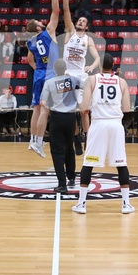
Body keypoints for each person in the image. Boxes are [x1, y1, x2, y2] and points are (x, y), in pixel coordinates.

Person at [72, 53, 134, 214]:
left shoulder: (92, 80)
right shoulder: (122, 82)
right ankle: (126, 204)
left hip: (99, 124)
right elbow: (127, 109)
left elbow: (84, 107)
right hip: (115, 124)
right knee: (121, 164)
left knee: (89, 162)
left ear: (100, 67)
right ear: (113, 66)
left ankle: (82, 204)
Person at [61, 0, 101, 155]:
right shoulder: (70, 32)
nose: (80, 21)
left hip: (82, 77)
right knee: (70, 113)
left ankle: (88, 138)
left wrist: (92, 67)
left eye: (84, 21)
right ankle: (76, 138)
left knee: (84, 112)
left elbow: (98, 58)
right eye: (80, 20)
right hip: (68, 75)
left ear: (87, 27)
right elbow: (67, 11)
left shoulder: (88, 40)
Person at [26, 0, 61, 158]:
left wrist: (38, 67)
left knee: (36, 109)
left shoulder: (30, 42)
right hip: (49, 74)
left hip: (39, 73)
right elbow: (56, 10)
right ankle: (39, 142)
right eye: (39, 21)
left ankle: (33, 140)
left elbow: (28, 59)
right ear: (39, 26)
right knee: (45, 110)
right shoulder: (48, 31)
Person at [41, 59, 81, 193]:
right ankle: (71, 177)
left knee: (57, 151)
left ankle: (62, 184)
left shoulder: (49, 82)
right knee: (69, 147)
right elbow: (86, 86)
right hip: (70, 118)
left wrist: (50, 108)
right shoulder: (73, 80)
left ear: (54, 69)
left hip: (57, 117)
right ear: (65, 69)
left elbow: (43, 102)